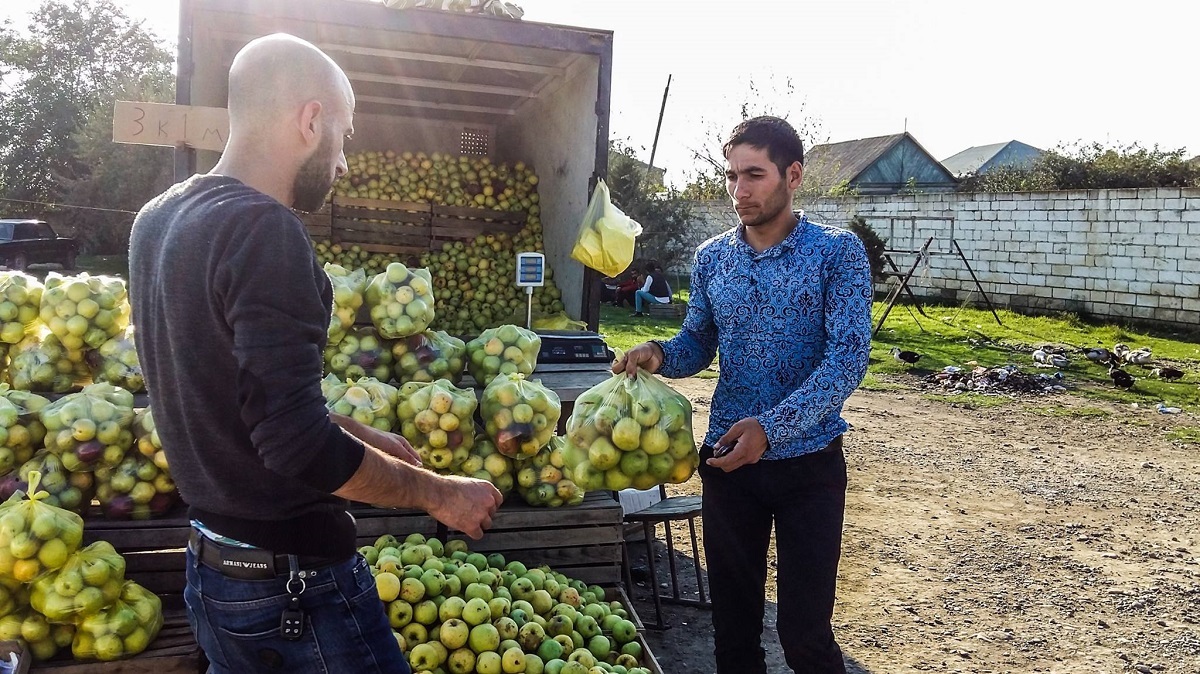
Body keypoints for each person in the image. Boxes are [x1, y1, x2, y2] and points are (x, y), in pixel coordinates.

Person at [129, 34, 502, 674]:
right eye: (345, 136)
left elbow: (224, 390)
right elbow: (295, 446)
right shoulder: (263, 229)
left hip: (215, 570)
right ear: (311, 120)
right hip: (292, 586)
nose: (345, 161)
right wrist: (440, 494)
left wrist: (352, 428)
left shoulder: (158, 219)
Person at [614, 116, 873, 674]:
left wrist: (771, 428)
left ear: (793, 175)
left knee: (804, 635)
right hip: (730, 466)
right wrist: (658, 354)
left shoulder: (838, 253)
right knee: (732, 634)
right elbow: (699, 342)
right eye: (732, 176)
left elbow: (847, 359)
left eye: (754, 174)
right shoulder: (714, 257)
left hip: (810, 468)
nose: (739, 190)